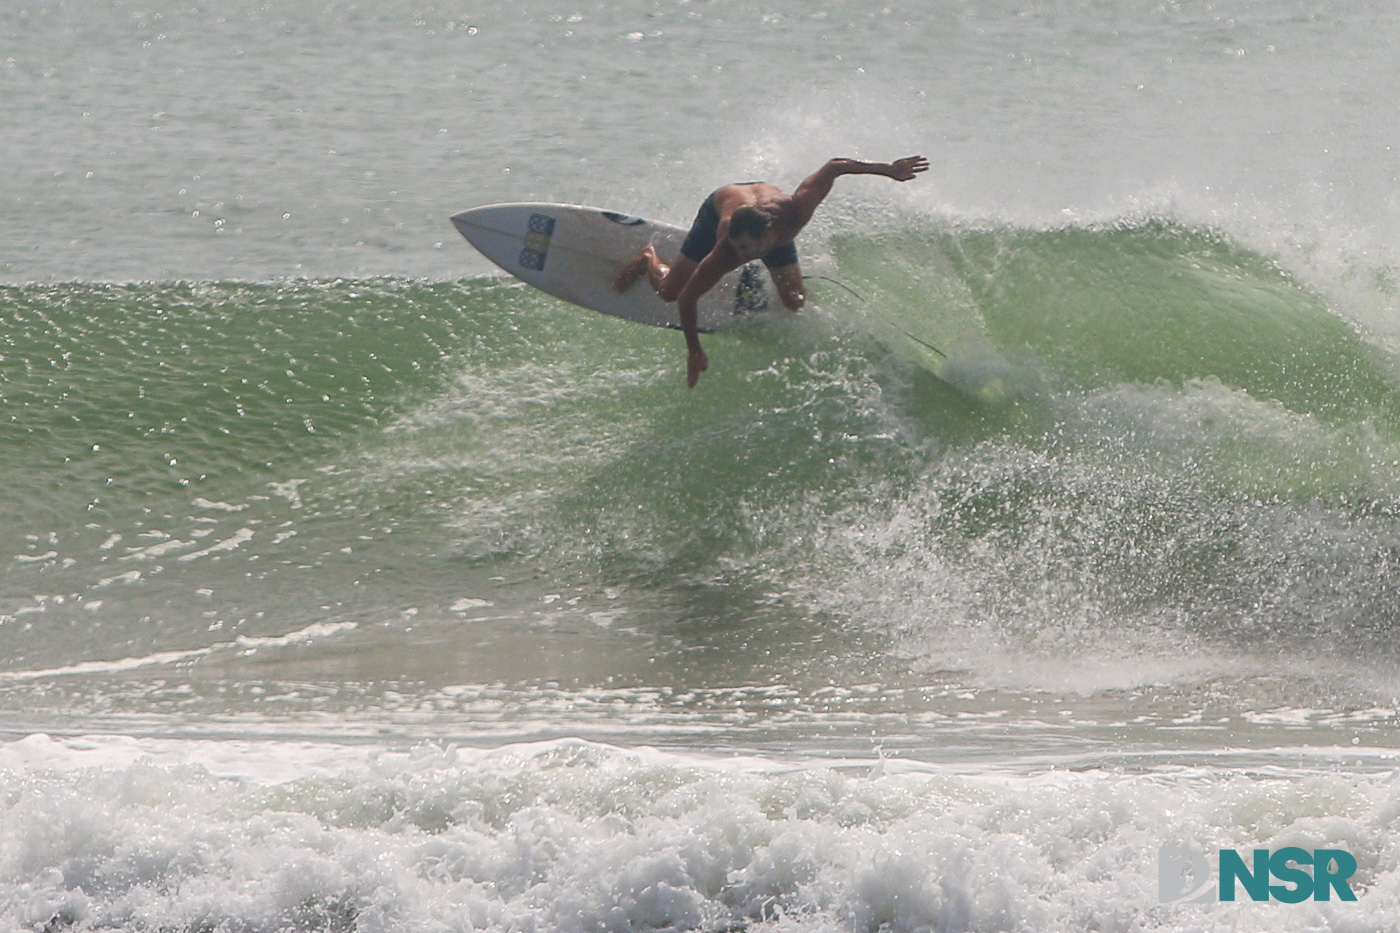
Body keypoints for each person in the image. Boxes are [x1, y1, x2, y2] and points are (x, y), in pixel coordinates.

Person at [615, 155, 929, 387]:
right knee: (669, 291)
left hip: (767, 218)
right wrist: (694, 351)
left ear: (768, 237)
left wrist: (888, 170)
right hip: (718, 209)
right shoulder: (726, 251)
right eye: (738, 250)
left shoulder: (797, 209)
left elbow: (835, 166)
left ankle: (760, 274)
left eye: (747, 251)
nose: (740, 256)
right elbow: (686, 299)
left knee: (795, 302)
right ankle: (647, 258)